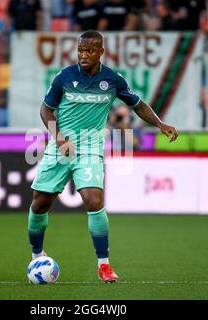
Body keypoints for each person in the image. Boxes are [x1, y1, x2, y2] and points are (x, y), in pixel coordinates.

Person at [28, 30, 178, 283]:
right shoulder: (64, 77)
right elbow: (46, 110)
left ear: (101, 52)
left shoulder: (112, 79)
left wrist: (160, 124)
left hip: (90, 147)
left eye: (89, 50)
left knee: (93, 199)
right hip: (60, 146)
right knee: (40, 204)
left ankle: (104, 265)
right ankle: (36, 255)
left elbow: (137, 104)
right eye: (80, 50)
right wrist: (59, 137)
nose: (83, 55)